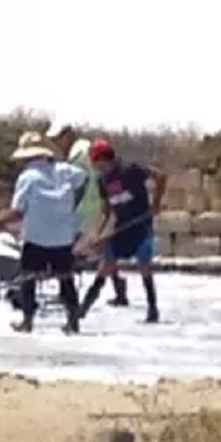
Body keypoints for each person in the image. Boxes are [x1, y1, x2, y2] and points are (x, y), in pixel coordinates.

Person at [0, 130, 88, 334]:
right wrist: (72, 203)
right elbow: (83, 180)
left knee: (28, 278)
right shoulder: (65, 170)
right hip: (62, 236)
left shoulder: (28, 177)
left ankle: (27, 321)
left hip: (36, 237)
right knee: (65, 278)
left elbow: (17, 211)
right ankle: (73, 321)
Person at [76, 139, 168, 324]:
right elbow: (106, 211)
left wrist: (155, 204)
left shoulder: (130, 169)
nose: (96, 167)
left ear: (105, 159)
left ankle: (152, 309)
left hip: (141, 225)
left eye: (97, 162)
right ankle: (81, 312)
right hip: (121, 228)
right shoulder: (102, 181)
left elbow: (161, 176)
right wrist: (97, 234)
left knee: (144, 267)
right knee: (105, 267)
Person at [47, 120, 128, 308]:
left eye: (58, 138)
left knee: (66, 249)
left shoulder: (77, 154)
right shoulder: (85, 148)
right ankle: (119, 289)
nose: (56, 143)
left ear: (67, 135)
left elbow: (78, 184)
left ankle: (65, 292)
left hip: (85, 207)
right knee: (106, 249)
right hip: (94, 205)